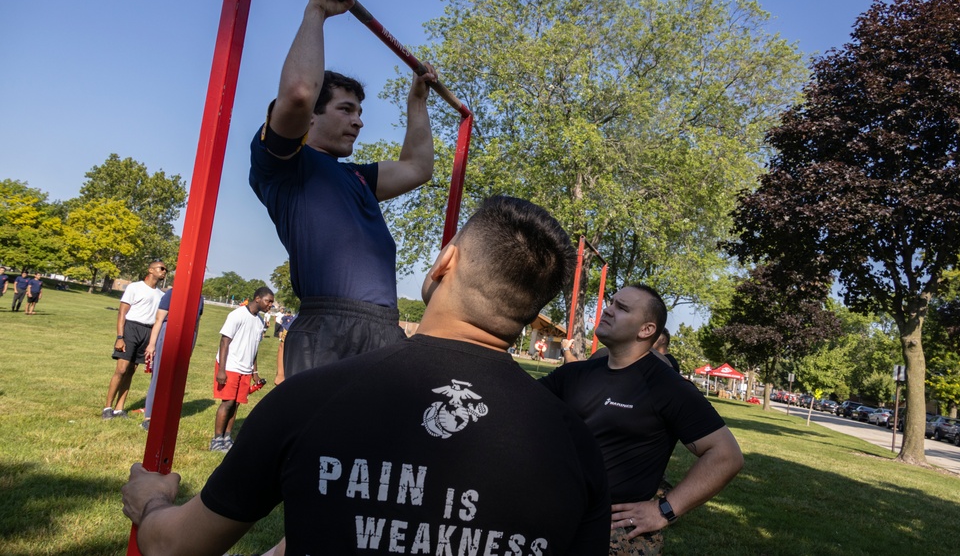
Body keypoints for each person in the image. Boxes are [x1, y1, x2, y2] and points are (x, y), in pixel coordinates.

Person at [122, 196, 611, 555]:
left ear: (446, 263)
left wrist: (151, 503)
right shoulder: (574, 443)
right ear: (535, 307)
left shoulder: (312, 399)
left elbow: (177, 547)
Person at [250, 0, 437, 377]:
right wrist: (317, 11)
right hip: (329, 331)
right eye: (346, 109)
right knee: (320, 437)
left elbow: (418, 167)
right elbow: (300, 95)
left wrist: (417, 101)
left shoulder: (357, 177)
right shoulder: (286, 165)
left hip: (385, 328)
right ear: (312, 119)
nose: (358, 122)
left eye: (360, 112)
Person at [540, 284, 744, 555]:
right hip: (553, 515)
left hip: (612, 531)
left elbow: (727, 455)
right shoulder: (575, 374)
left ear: (646, 330)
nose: (607, 311)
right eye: (611, 303)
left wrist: (665, 510)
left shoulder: (667, 387)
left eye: (621, 308)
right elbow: (522, 404)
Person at [210, 287, 274, 452]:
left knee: (236, 404)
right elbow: (225, 342)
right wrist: (222, 370)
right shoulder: (237, 315)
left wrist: (255, 372)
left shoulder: (260, 321)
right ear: (258, 298)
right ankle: (216, 439)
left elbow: (254, 349)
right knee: (228, 402)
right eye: (269, 301)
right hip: (230, 366)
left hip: (245, 369)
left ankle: (227, 437)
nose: (271, 305)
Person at [102, 261, 167, 419]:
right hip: (131, 328)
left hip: (147, 331)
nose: (165, 271)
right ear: (150, 270)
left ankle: (119, 408)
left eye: (166, 270)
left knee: (131, 371)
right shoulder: (135, 287)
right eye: (162, 268)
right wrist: (120, 337)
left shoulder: (161, 295)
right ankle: (107, 408)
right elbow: (122, 313)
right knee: (121, 370)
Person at [141, 288, 205, 431]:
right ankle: (149, 416)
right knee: (159, 375)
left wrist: (191, 346)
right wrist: (151, 344)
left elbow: (196, 324)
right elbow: (159, 319)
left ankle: (167, 414)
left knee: (176, 379)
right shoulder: (173, 293)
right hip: (168, 332)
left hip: (187, 336)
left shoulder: (200, 298)